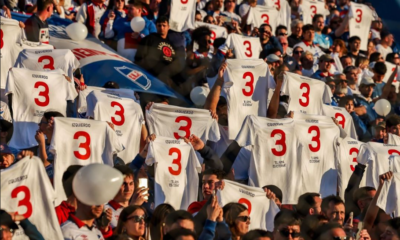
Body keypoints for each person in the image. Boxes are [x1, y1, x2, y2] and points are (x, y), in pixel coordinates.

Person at [135, 16, 178, 87]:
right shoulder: (149, 39)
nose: (161, 28)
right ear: (156, 26)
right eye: (159, 25)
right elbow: (139, 57)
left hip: (166, 79)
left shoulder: (172, 45)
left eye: (164, 25)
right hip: (149, 76)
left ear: (168, 27)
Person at [35, 111, 64, 182]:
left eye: (42, 122)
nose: (39, 124)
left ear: (50, 124)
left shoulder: (60, 144)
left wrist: (41, 143)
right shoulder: (44, 142)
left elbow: (46, 165)